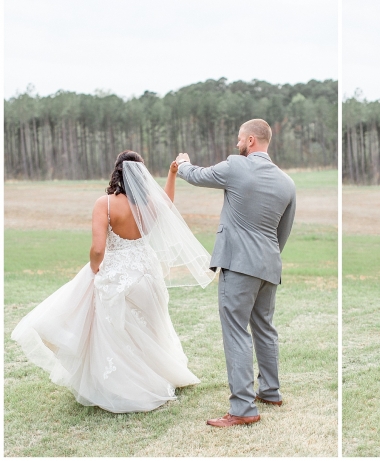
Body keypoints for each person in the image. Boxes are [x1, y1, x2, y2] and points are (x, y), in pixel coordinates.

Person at [11, 151, 215, 413]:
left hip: (117, 273)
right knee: (150, 330)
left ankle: (120, 388)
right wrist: (172, 174)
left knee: (116, 334)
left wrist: (96, 269)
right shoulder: (151, 204)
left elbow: (98, 249)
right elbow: (168, 203)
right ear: (142, 175)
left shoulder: (104, 204)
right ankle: (156, 377)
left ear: (116, 172)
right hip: (147, 273)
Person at [175, 118, 296, 428]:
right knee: (265, 329)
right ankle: (270, 391)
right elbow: (283, 232)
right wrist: (267, 257)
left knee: (236, 332)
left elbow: (198, 176)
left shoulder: (235, 166)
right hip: (269, 265)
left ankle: (242, 408)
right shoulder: (287, 182)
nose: (237, 143)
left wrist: (184, 163)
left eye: (240, 139)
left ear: (252, 141)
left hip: (239, 265)